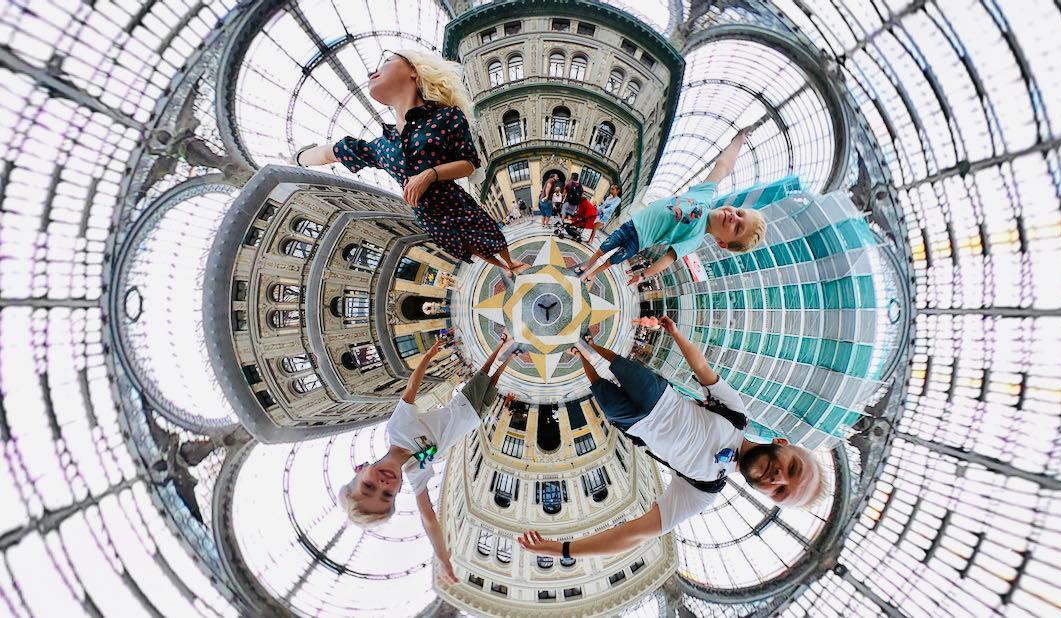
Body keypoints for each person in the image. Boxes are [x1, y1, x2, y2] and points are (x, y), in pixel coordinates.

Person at [516, 319, 826, 560]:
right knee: (618, 364)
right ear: (782, 443)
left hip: (634, 424)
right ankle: (589, 345)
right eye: (793, 469)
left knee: (599, 386)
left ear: (769, 497)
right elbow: (702, 368)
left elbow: (636, 534)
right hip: (659, 395)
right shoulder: (737, 416)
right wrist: (676, 334)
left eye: (780, 491)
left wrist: (562, 550)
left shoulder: (704, 490)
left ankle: (580, 355)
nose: (779, 477)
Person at [293, 49, 528, 278]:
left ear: (413, 70)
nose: (371, 72)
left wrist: (429, 175)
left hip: (455, 205)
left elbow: (468, 164)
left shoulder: (447, 116)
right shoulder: (382, 146)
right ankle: (501, 265)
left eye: (386, 60)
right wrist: (301, 158)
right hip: (431, 219)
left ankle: (509, 261)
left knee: (490, 235)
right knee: (471, 247)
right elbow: (333, 152)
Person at [338, 333, 519, 583]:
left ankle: (502, 345)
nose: (383, 484)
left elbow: (411, 388)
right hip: (474, 419)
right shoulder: (416, 473)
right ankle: (510, 358)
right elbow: (429, 518)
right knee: (493, 384)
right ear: (397, 492)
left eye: (369, 487)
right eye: (387, 495)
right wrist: (442, 558)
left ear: (360, 470)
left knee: (484, 373)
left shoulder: (396, 429)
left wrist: (429, 355)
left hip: (462, 405)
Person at [573, 128, 766, 289]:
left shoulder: (695, 239)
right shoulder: (705, 194)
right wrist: (739, 138)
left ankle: (592, 274)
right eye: (739, 213)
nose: (734, 217)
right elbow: (723, 166)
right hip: (633, 224)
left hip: (639, 242)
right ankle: (587, 265)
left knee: (611, 260)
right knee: (603, 248)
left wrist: (643, 275)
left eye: (738, 228)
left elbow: (668, 258)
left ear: (722, 243)